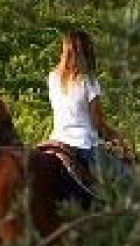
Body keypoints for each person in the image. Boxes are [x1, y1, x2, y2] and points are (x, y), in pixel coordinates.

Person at [47, 29, 132, 173]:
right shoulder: (89, 81)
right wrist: (118, 139)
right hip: (83, 144)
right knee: (129, 176)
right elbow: (97, 124)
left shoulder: (52, 78)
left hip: (56, 142)